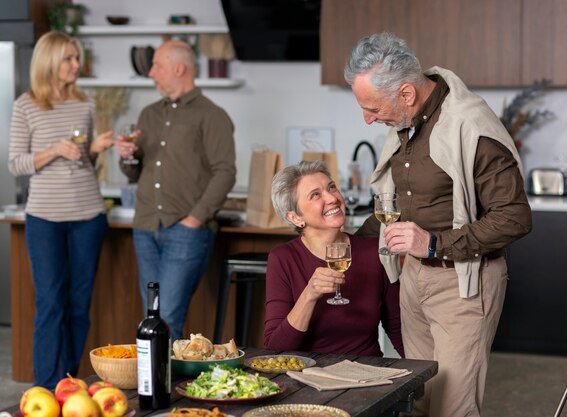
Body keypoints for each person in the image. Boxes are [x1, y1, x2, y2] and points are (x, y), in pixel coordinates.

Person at [344, 33, 532, 417]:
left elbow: (514, 217)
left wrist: (433, 244)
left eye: (372, 107)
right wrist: (337, 241)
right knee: (420, 399)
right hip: (413, 279)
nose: (367, 119)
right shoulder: (404, 125)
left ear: (407, 94)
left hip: (462, 283)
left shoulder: (471, 125)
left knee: (452, 408)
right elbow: (397, 209)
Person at [8, 31, 115, 389]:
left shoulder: (85, 104)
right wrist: (54, 149)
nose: (75, 64)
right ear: (50, 61)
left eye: (76, 57)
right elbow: (15, 164)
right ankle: (46, 385)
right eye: (69, 58)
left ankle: (67, 382)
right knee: (51, 304)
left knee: (78, 305)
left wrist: (95, 148)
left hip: (88, 215)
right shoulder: (25, 105)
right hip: (45, 219)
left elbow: (83, 158)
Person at [115, 40, 236, 342]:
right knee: (152, 316)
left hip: (186, 231)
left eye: (157, 66)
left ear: (179, 68)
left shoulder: (212, 116)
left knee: (167, 317)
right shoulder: (148, 115)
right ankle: (153, 387)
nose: (151, 72)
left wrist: (195, 218)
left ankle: (162, 388)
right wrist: (128, 156)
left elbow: (226, 172)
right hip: (145, 227)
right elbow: (134, 172)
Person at [265, 160, 404, 357]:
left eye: (332, 188)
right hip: (310, 376)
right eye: (316, 195)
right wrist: (309, 295)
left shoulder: (374, 251)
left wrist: (425, 374)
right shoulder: (283, 258)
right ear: (295, 217)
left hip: (369, 374)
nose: (331, 198)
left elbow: (398, 328)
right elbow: (275, 349)